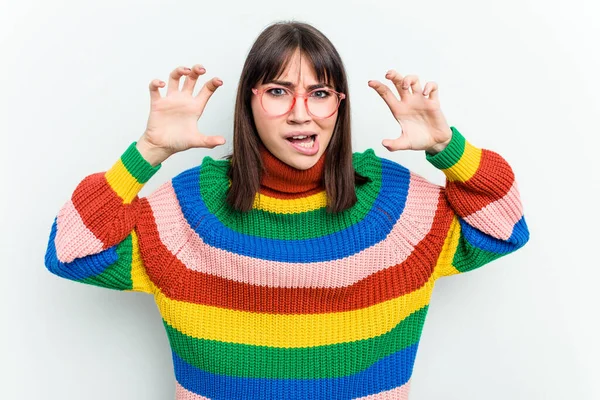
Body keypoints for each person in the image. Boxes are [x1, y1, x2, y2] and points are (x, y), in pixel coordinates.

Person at [44, 20, 530, 400]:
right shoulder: (194, 211)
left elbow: (505, 227)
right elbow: (70, 252)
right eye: (278, 91)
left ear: (339, 104)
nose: (302, 112)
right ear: (248, 103)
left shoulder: (393, 208)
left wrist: (448, 147)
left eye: (320, 93)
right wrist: (148, 150)